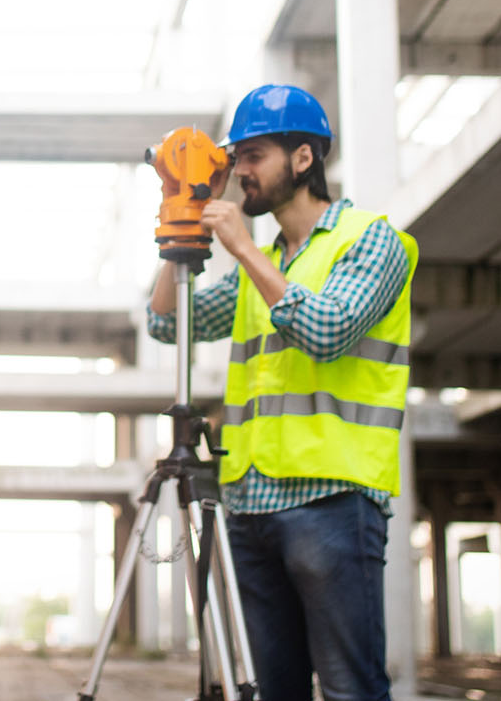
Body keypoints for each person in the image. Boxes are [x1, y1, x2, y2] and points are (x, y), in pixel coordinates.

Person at [147, 84, 417, 701]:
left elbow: (326, 330)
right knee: (276, 692)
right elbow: (165, 322)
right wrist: (181, 217)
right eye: (235, 156)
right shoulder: (259, 268)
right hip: (252, 506)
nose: (238, 170)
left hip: (332, 501)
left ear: (302, 159)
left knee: (350, 689)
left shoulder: (370, 240)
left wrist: (240, 247)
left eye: (254, 156)